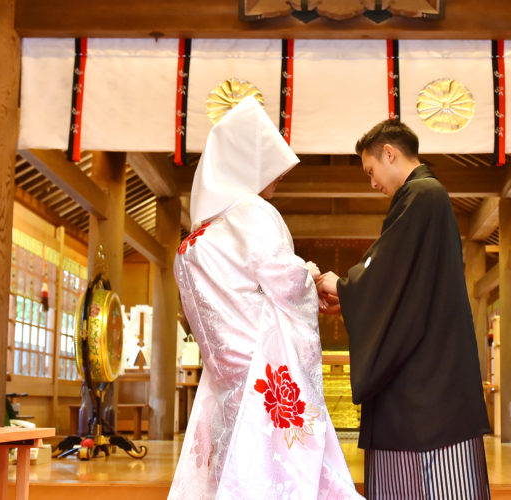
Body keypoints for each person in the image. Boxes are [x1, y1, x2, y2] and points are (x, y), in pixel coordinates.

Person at [169, 96, 362, 499]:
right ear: (246, 162)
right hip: (262, 371)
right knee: (277, 477)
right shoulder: (250, 211)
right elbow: (285, 281)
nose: (279, 177)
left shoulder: (194, 239)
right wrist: (310, 276)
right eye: (272, 168)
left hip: (224, 378)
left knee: (230, 471)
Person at [317, 119, 491, 499]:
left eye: (371, 171)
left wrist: (343, 288)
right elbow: (396, 274)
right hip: (435, 364)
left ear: (390, 154)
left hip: (426, 376)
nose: (373, 182)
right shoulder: (425, 196)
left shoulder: (423, 195)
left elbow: (387, 273)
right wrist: (349, 295)